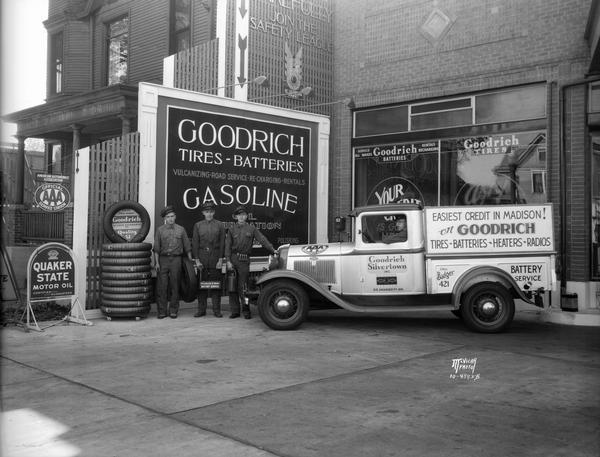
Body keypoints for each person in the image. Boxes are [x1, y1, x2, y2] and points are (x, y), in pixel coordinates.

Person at [225, 206, 276, 319]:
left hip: (244, 261)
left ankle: (246, 310)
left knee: (244, 287)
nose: (241, 217)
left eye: (243, 215)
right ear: (236, 217)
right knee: (232, 286)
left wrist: (273, 250)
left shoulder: (252, 229)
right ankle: (235, 311)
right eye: (239, 215)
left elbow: (262, 240)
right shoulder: (231, 229)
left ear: (246, 216)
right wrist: (228, 261)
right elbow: (227, 246)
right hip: (233, 260)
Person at [153, 205, 193, 319]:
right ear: (165, 218)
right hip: (163, 259)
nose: (170, 218)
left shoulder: (181, 229)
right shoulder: (160, 230)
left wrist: (190, 262)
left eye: (172, 216)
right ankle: (162, 311)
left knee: (175, 286)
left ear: (175, 217)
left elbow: (187, 247)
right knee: (162, 286)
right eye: (168, 216)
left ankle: (173, 310)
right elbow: (156, 248)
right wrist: (156, 263)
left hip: (176, 259)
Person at [192, 202, 225, 318]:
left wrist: (221, 259)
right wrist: (196, 260)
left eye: (211, 212)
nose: (209, 214)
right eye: (207, 212)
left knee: (216, 286)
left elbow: (222, 244)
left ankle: (217, 310)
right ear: (203, 213)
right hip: (202, 258)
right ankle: (201, 310)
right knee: (202, 286)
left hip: (215, 258)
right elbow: (195, 243)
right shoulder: (198, 225)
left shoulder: (220, 225)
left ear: (214, 212)